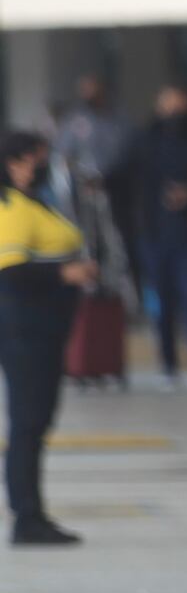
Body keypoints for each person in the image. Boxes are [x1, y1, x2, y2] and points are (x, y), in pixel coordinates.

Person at [0, 133, 100, 547]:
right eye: (37, 160)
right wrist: (65, 275)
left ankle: (33, 511)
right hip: (25, 329)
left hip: (47, 328)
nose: (42, 167)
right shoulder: (11, 208)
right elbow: (10, 271)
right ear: (15, 163)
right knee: (27, 423)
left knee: (36, 421)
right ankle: (27, 516)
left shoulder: (36, 203)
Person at [115, 84, 187, 393]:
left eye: (180, 105)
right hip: (154, 234)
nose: (174, 112)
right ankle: (168, 364)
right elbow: (121, 176)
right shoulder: (145, 140)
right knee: (163, 303)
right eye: (169, 105)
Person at [51, 75, 126, 186]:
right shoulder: (75, 119)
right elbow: (63, 151)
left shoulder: (116, 117)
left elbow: (123, 148)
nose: (89, 94)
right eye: (85, 90)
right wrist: (80, 175)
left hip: (116, 180)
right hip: (86, 183)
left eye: (93, 89)